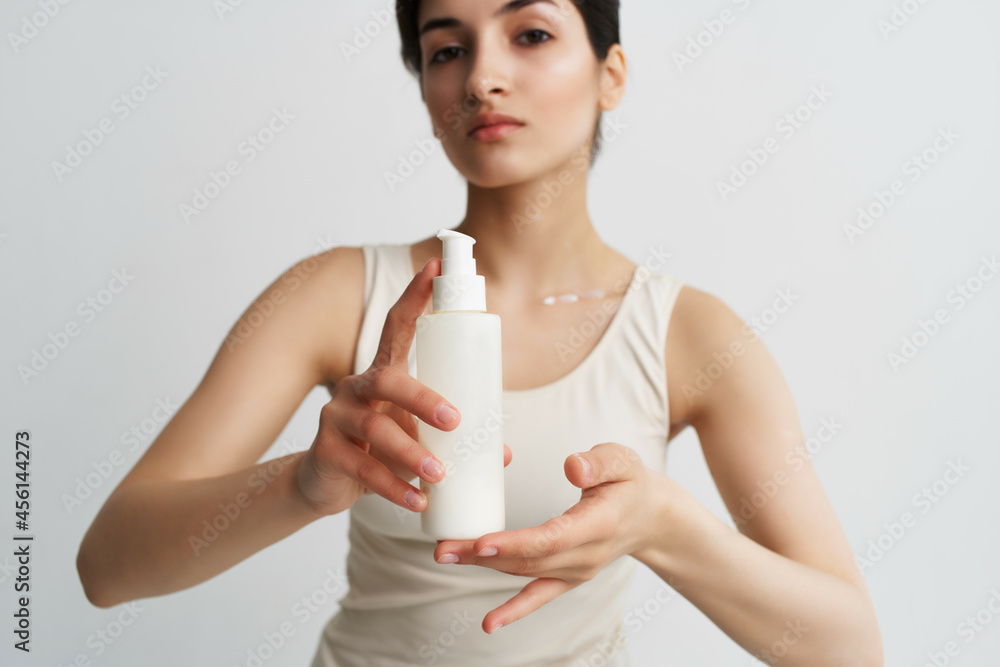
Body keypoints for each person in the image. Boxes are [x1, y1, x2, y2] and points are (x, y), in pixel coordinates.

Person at [76, 0, 884, 664]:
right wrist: (300, 484)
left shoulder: (689, 335)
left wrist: (662, 526)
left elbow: (849, 647)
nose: (483, 78)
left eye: (530, 34)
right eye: (445, 51)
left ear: (612, 75)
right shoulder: (334, 295)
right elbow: (107, 565)